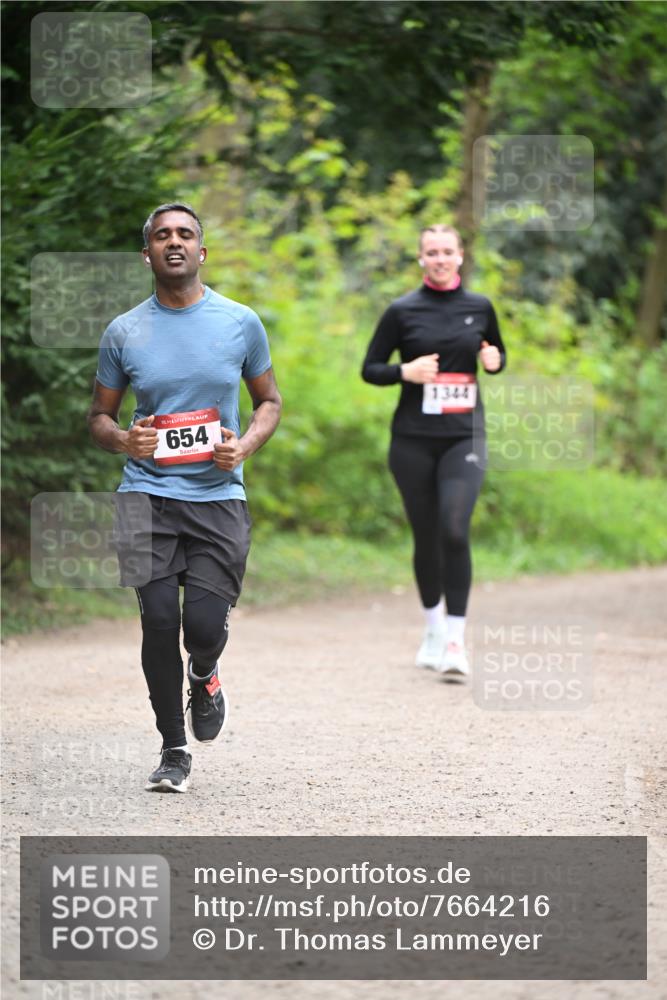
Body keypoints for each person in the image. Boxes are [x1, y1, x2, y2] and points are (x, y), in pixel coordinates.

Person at [88, 203, 281, 791]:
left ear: (202, 251)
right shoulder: (124, 331)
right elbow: (99, 417)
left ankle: (205, 670)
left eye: (185, 234)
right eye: (162, 235)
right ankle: (173, 749)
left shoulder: (240, 322)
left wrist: (243, 446)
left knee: (200, 626)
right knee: (157, 620)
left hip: (218, 497)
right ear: (146, 254)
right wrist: (125, 439)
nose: (174, 242)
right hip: (145, 496)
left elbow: (269, 403)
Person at [361, 224, 506, 680]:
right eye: (432, 252)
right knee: (426, 536)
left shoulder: (480, 307)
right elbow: (370, 369)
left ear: (460, 256)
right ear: (421, 258)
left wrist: (494, 362)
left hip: (464, 437)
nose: (440, 258)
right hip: (412, 440)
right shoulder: (402, 310)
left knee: (454, 529)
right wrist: (405, 371)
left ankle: (456, 642)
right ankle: (433, 630)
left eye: (447, 251)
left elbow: (497, 352)